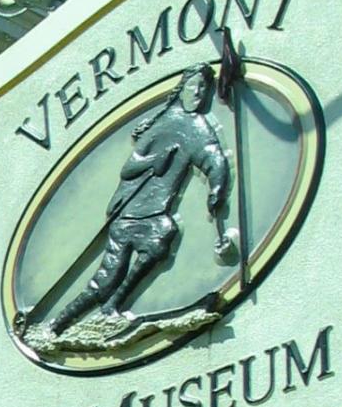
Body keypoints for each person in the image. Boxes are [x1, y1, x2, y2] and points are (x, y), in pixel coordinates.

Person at [28, 62, 232, 337]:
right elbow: (129, 167)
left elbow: (212, 157)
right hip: (129, 212)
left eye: (205, 89)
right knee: (104, 280)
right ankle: (58, 325)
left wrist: (217, 189)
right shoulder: (161, 124)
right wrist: (154, 161)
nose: (199, 94)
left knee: (161, 239)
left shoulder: (197, 127)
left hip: (155, 214)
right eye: (195, 86)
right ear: (183, 88)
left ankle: (114, 306)